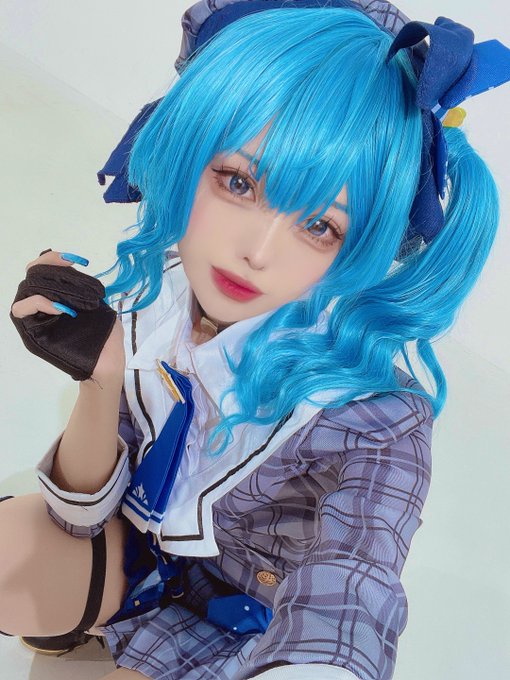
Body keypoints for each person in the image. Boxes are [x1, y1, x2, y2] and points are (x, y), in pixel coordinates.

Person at [3, 1, 509, 679]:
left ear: (361, 245)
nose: (258, 253)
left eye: (320, 226)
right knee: (8, 550)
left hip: (241, 631)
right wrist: (99, 381)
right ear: (186, 152)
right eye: (238, 181)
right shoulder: (159, 297)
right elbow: (79, 516)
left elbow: (355, 586)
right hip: (141, 559)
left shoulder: (375, 416)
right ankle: (85, 620)